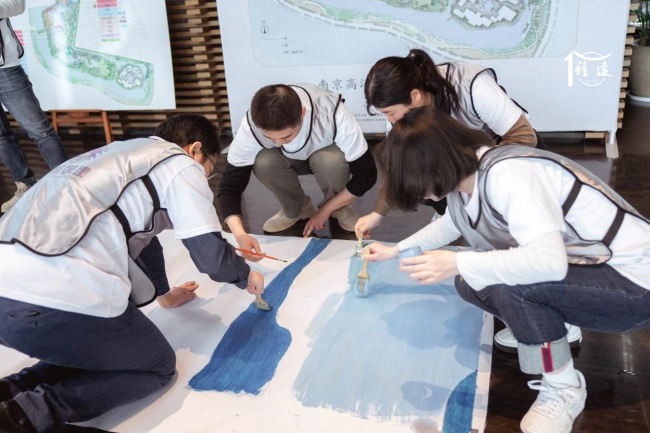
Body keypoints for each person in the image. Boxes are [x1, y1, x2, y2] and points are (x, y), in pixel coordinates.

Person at [364, 105, 650, 433]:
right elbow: (450, 225)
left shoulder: (509, 175)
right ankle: (548, 326)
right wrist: (395, 250)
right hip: (590, 270)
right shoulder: (463, 179)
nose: (421, 195)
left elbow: (548, 262)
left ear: (435, 162)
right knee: (470, 281)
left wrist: (457, 261)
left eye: (417, 183)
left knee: (514, 288)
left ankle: (565, 387)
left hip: (634, 286)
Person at [0, 114, 265, 433]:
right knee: (157, 367)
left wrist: (164, 294)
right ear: (195, 149)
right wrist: (245, 276)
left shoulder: (123, 154)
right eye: (210, 167)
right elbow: (211, 256)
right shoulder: (181, 165)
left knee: (101, 354)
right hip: (54, 298)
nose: (207, 175)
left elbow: (143, 236)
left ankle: (12, 390)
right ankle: (24, 415)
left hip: (9, 299)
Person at [354, 48, 581, 352]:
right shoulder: (409, 123)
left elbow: (523, 137)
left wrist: (461, 257)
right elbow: (446, 221)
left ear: (416, 96)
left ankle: (558, 323)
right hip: (469, 169)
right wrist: (392, 244)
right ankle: (533, 310)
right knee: (469, 275)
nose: (389, 120)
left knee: (501, 249)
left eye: (390, 112)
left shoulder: (470, 87)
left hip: (507, 160)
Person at [217, 83, 377, 259]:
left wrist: (325, 210)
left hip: (325, 158)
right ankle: (296, 209)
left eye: (286, 136)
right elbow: (229, 188)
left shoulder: (332, 112)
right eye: (269, 137)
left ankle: (339, 208)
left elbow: (367, 175)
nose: (279, 143)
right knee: (263, 161)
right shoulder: (251, 126)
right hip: (284, 161)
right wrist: (240, 235)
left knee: (331, 161)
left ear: (302, 113)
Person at [0, 0, 68, 213]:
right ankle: (25, 186)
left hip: (6, 69)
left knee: (39, 130)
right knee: (1, 137)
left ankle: (67, 184)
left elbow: (17, 4)